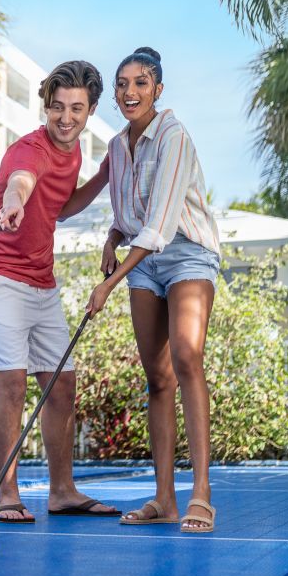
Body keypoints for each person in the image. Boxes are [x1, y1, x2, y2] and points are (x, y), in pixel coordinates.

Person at [0, 60, 119, 523]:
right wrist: (12, 204)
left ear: (90, 109)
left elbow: (58, 208)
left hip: (41, 281)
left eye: (76, 108)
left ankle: (62, 491)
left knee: (61, 386)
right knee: (11, 384)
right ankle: (8, 495)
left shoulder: (72, 154)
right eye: (56, 108)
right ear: (46, 107)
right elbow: (22, 182)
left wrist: (104, 175)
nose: (65, 117)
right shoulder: (28, 150)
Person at [81, 47, 221, 532]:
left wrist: (108, 285)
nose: (129, 92)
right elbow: (129, 214)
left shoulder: (174, 136)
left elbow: (160, 223)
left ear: (158, 90)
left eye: (141, 83)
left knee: (186, 357)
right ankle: (164, 499)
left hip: (186, 253)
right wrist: (110, 237)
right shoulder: (118, 147)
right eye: (122, 84)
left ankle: (200, 491)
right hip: (144, 263)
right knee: (157, 378)